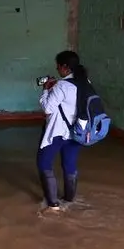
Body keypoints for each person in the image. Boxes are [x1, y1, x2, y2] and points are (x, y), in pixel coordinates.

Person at [37, 50, 87, 211]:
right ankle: (69, 199)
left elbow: (47, 108)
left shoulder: (62, 85)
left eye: (58, 66)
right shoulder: (85, 82)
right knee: (70, 165)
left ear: (65, 67)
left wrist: (45, 89)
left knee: (44, 163)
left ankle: (53, 205)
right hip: (78, 132)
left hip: (57, 133)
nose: (57, 69)